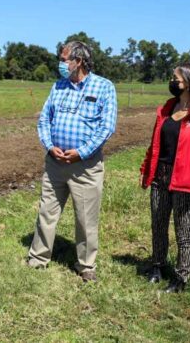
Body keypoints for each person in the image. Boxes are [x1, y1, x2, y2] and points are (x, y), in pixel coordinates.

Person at [27, 41, 117, 282]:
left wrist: (82, 152)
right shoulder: (58, 86)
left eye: (64, 59)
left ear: (78, 61)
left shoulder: (104, 87)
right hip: (55, 163)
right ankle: (38, 258)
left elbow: (107, 127)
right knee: (47, 211)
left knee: (86, 218)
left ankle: (86, 265)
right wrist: (49, 146)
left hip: (85, 166)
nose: (60, 63)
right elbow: (44, 120)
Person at [139, 63, 190, 293]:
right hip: (161, 176)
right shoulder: (167, 108)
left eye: (177, 79)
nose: (172, 82)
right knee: (158, 225)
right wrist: (146, 169)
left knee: (183, 233)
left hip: (187, 180)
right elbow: (155, 143)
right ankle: (157, 266)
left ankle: (181, 277)